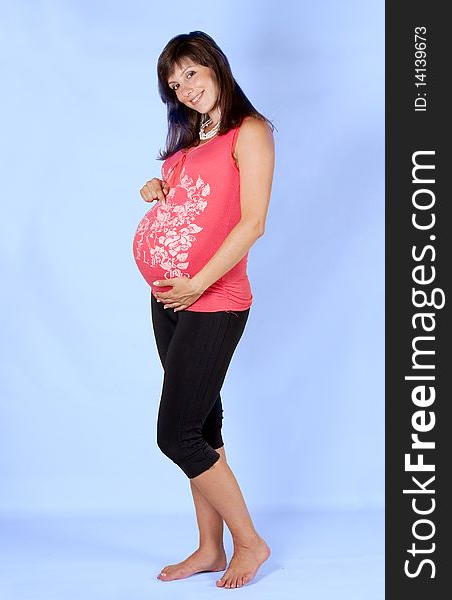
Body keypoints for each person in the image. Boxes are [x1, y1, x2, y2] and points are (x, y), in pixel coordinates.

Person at [133, 31, 275, 589]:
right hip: (170, 299)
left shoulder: (251, 132)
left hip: (214, 299)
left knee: (176, 434)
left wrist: (196, 284)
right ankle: (209, 548)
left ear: (216, 66)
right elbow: (186, 199)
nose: (184, 89)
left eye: (191, 73)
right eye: (174, 83)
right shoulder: (191, 141)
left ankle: (249, 542)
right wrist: (154, 185)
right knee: (202, 426)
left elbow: (252, 223)